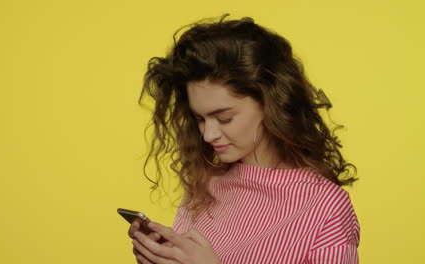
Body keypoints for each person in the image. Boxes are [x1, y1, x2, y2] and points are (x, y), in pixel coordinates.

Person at [127, 14, 360, 264]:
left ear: (269, 103)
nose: (208, 134)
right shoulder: (204, 185)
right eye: (200, 119)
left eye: (224, 118)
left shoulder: (326, 208)